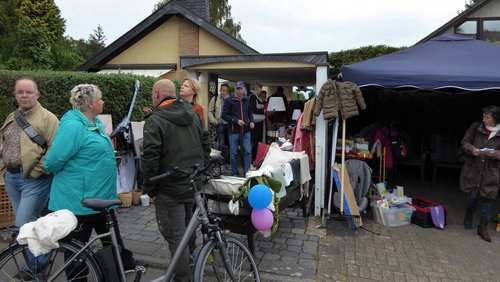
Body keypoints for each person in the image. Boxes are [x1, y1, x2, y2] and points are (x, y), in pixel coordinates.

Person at [44, 84, 136, 273]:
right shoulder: (73, 127)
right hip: (80, 202)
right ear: (91, 103)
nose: (103, 102)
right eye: (100, 99)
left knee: (114, 248)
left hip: (101, 199)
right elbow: (52, 161)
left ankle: (115, 275)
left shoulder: (95, 123)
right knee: (76, 255)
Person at [141, 79, 210, 282]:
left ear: (156, 94)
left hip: (169, 189)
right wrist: (199, 169)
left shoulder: (155, 120)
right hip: (192, 186)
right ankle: (191, 264)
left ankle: (183, 278)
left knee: (176, 238)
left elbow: (150, 158)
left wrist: (150, 188)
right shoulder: (193, 113)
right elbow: (206, 141)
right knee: (188, 231)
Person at [0, 78, 58, 274]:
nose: (24, 95)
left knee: (23, 223)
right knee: (28, 223)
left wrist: (37, 170)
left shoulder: (48, 118)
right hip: (12, 178)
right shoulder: (12, 115)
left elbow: (55, 148)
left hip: (35, 180)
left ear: (37, 94)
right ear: (15, 95)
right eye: (20, 92)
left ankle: (36, 265)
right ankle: (38, 264)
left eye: (28, 92)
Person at [460, 105, 500, 242]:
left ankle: (482, 228)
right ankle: (468, 215)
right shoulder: (476, 127)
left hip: (491, 171)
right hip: (475, 169)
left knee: (488, 200)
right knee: (473, 197)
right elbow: (465, 142)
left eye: (487, 117)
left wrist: (494, 153)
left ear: (495, 118)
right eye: (483, 116)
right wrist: (472, 149)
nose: (484, 119)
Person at [222, 81, 254, 176]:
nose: (239, 90)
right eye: (237, 88)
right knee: (233, 153)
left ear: (244, 89)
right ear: (235, 89)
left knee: (247, 152)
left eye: (241, 88)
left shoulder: (247, 99)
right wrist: (236, 121)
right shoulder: (229, 100)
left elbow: (250, 112)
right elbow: (224, 115)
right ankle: (234, 173)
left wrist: (251, 121)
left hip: (246, 130)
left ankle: (246, 174)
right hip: (233, 131)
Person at [208, 83, 230, 162]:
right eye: (223, 90)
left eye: (226, 91)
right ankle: (221, 162)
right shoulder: (215, 98)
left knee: (230, 144)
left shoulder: (230, 99)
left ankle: (228, 161)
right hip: (219, 124)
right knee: (221, 143)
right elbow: (209, 111)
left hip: (229, 125)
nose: (224, 92)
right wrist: (214, 121)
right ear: (220, 90)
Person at [248, 83, 266, 160]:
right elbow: (253, 109)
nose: (260, 91)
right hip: (255, 123)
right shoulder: (252, 97)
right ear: (256, 89)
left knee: (255, 142)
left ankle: (254, 158)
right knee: (254, 142)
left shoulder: (256, 97)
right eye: (260, 89)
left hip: (258, 123)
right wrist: (263, 111)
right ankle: (252, 159)